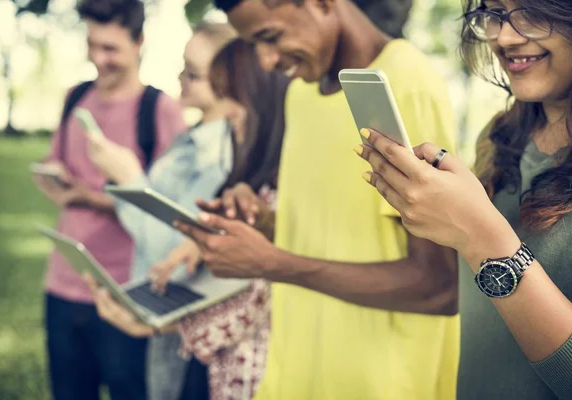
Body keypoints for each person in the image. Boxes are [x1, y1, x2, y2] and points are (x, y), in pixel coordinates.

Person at [176, 0, 459, 399]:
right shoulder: (301, 95)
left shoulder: (405, 83)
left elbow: (437, 286)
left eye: (269, 37)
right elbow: (327, 236)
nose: (267, 61)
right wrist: (262, 223)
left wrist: (274, 264)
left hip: (378, 385)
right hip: (293, 377)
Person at [355, 0, 572, 399]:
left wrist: (483, 238)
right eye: (494, 14)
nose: (504, 36)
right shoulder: (499, 136)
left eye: (532, 10)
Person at [85, 37, 289, 400]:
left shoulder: (231, 163)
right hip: (210, 359)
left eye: (195, 74)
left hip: (238, 369)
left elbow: (260, 292)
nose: (230, 117)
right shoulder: (220, 164)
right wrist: (200, 241)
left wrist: (131, 180)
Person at [32, 0, 184, 399]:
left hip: (127, 290)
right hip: (64, 283)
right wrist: (56, 179)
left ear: (139, 42)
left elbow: (171, 208)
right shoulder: (75, 97)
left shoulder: (160, 110)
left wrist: (92, 197)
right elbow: (58, 159)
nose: (99, 59)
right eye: (92, 44)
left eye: (111, 48)